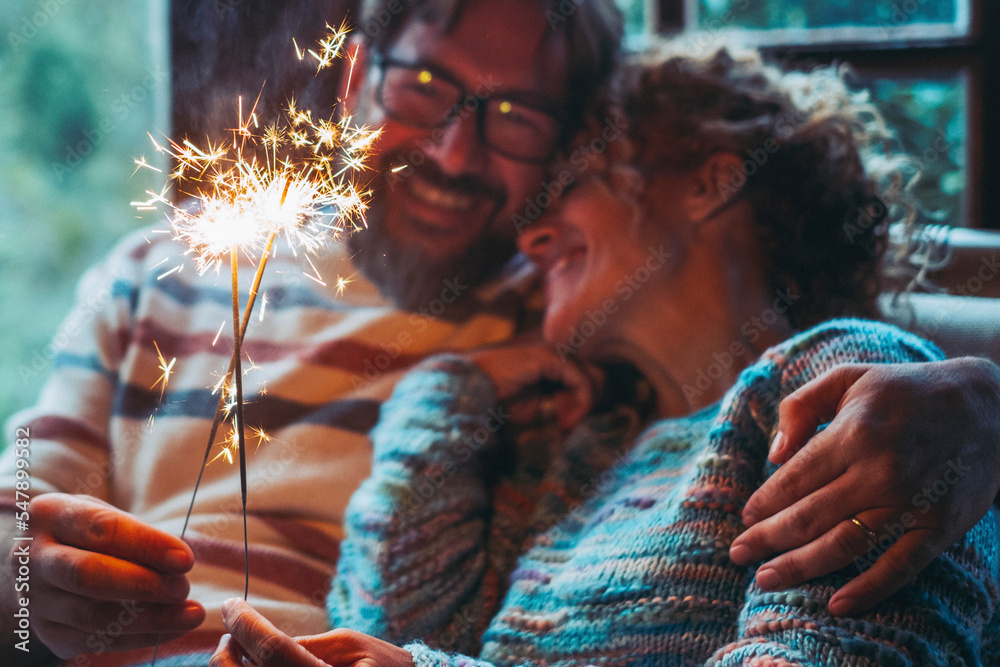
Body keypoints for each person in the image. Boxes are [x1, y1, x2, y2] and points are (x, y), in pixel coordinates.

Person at [2, 0, 999, 664]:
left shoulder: (592, 357)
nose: (455, 150)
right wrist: (16, 583)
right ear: (354, 81)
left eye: (520, 117)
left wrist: (980, 399)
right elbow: (399, 629)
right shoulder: (153, 271)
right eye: (426, 86)